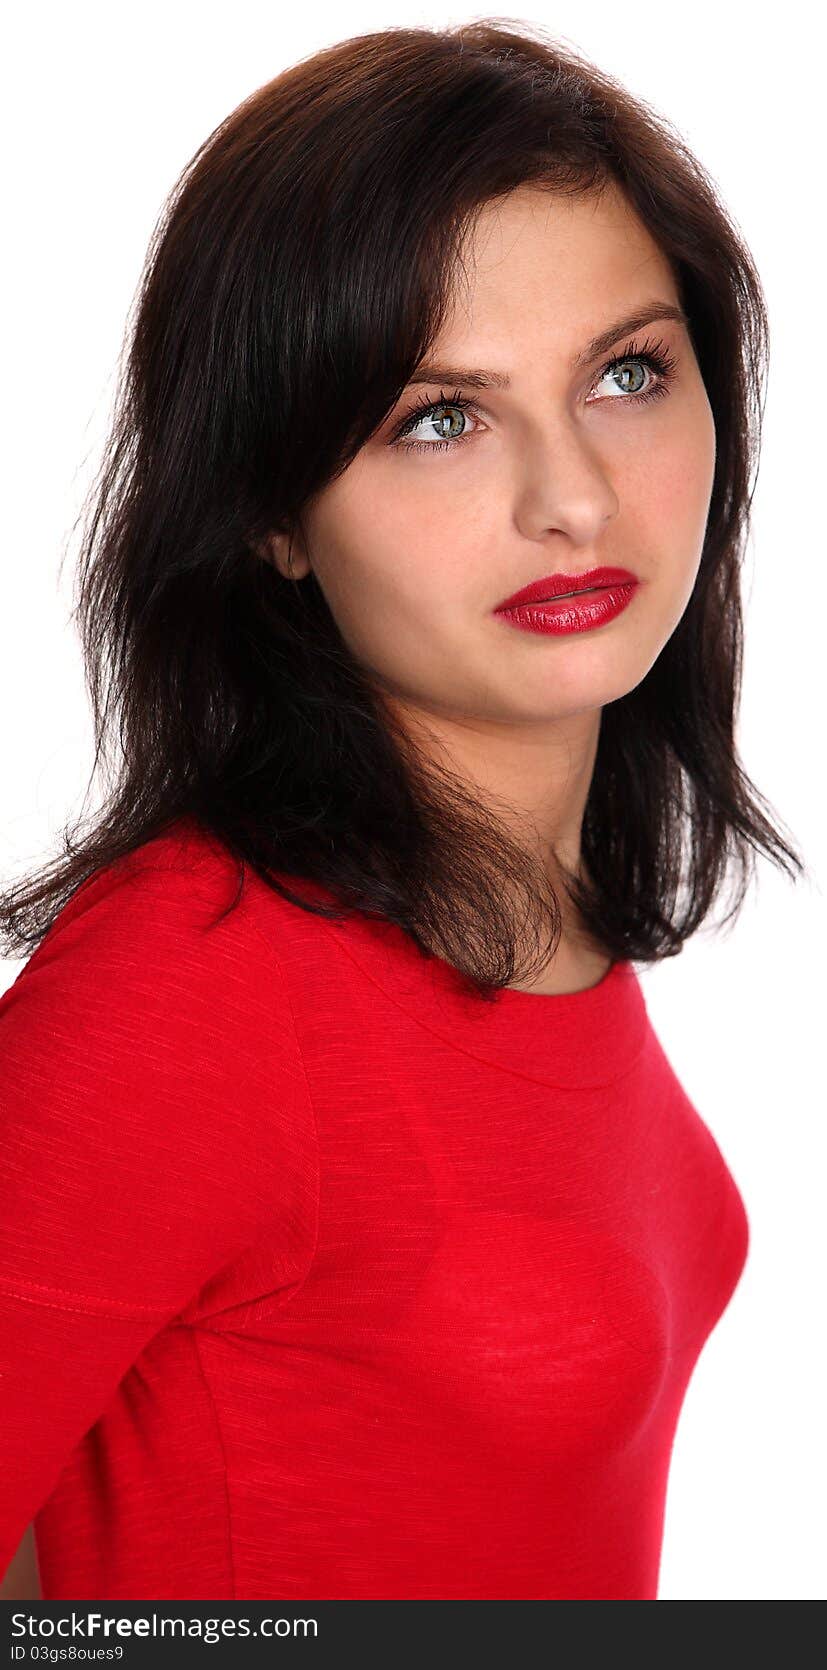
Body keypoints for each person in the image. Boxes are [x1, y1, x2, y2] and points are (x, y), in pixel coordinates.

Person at [0, 19, 805, 1601]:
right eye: (439, 415)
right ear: (271, 518)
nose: (571, 495)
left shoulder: (544, 911)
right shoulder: (193, 982)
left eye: (628, 372)